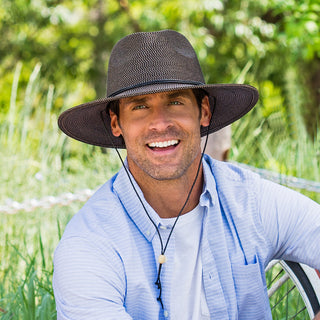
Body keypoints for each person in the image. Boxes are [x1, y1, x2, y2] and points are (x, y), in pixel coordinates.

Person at [53, 29, 320, 320]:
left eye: (175, 101)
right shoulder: (89, 246)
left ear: (203, 112)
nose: (160, 123)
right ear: (117, 124)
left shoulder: (249, 201)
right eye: (140, 106)